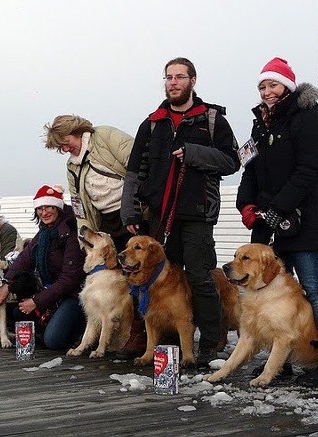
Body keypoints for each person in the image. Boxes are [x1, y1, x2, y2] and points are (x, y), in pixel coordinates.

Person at [120, 57, 240, 367]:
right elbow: (135, 171)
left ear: (193, 81)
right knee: (158, 279)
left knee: (201, 279)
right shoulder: (152, 123)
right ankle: (168, 346)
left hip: (198, 213)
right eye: (169, 77)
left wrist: (194, 153)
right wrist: (130, 214)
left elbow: (232, 161)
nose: (173, 82)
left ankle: (211, 344)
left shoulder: (212, 120)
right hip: (161, 215)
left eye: (180, 77)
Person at [236, 57, 318, 386]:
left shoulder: (307, 116)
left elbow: (309, 170)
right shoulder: (261, 123)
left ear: (288, 85)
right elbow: (250, 169)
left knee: (316, 290)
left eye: (273, 84)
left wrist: (280, 207)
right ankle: (280, 361)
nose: (267, 91)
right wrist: (247, 205)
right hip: (269, 224)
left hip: (305, 219)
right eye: (262, 86)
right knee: (272, 293)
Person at [0, 184, 86, 350]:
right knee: (17, 314)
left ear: (58, 207)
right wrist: (7, 284)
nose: (44, 212)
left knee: (53, 341)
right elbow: (24, 259)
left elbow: (69, 279)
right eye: (40, 208)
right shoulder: (45, 232)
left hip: (75, 295)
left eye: (49, 206)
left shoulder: (71, 231)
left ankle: (81, 329)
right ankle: (52, 321)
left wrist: (36, 301)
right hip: (53, 292)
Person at [43, 115, 135, 251]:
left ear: (77, 132)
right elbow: (80, 209)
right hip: (106, 223)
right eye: (61, 147)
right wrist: (86, 243)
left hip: (134, 214)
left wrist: (134, 213)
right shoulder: (72, 168)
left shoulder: (105, 136)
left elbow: (138, 166)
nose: (66, 149)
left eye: (67, 142)